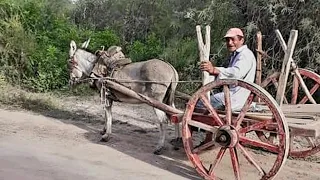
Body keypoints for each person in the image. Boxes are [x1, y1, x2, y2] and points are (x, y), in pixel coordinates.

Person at [197, 27, 257, 111]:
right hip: (234, 95)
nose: (230, 43)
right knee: (204, 101)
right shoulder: (236, 55)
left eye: (233, 40)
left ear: (241, 40)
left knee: (200, 104)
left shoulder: (245, 55)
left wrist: (214, 70)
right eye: (227, 40)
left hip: (236, 97)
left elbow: (236, 73)